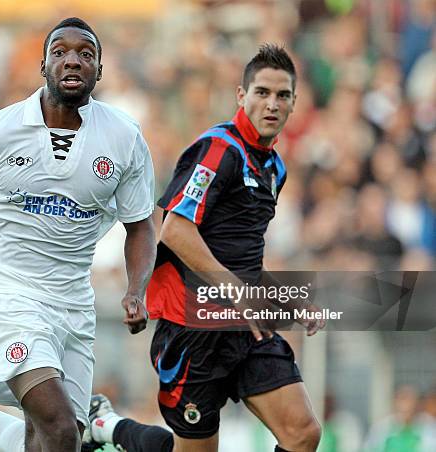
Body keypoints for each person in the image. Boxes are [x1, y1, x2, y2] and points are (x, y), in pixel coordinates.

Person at [0, 17, 156, 452]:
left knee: (52, 440)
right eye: (60, 51)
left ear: (99, 71)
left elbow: (140, 225)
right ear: (42, 65)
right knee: (61, 428)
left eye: (86, 54)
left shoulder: (124, 138)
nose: (73, 60)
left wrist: (136, 288)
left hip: (72, 301)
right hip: (5, 294)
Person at [88, 44, 325, 452]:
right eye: (262, 92)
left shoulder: (274, 168)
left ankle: (105, 425)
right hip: (192, 328)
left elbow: (243, 258)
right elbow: (175, 231)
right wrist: (235, 292)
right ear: (241, 95)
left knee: (303, 434)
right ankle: (106, 426)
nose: (272, 104)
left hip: (245, 326)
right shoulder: (219, 149)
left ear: (293, 104)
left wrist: (284, 300)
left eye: (282, 95)